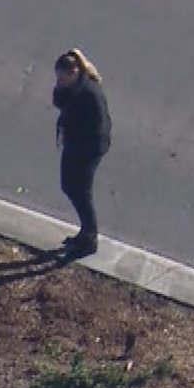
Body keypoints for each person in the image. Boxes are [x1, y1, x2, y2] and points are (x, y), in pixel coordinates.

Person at [52, 48, 112, 258]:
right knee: (68, 186)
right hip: (75, 145)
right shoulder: (72, 89)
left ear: (74, 72)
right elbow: (58, 102)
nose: (58, 81)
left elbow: (99, 127)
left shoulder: (89, 93)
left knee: (80, 191)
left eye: (62, 78)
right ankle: (85, 233)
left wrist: (76, 144)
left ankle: (90, 236)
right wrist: (61, 89)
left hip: (88, 148)